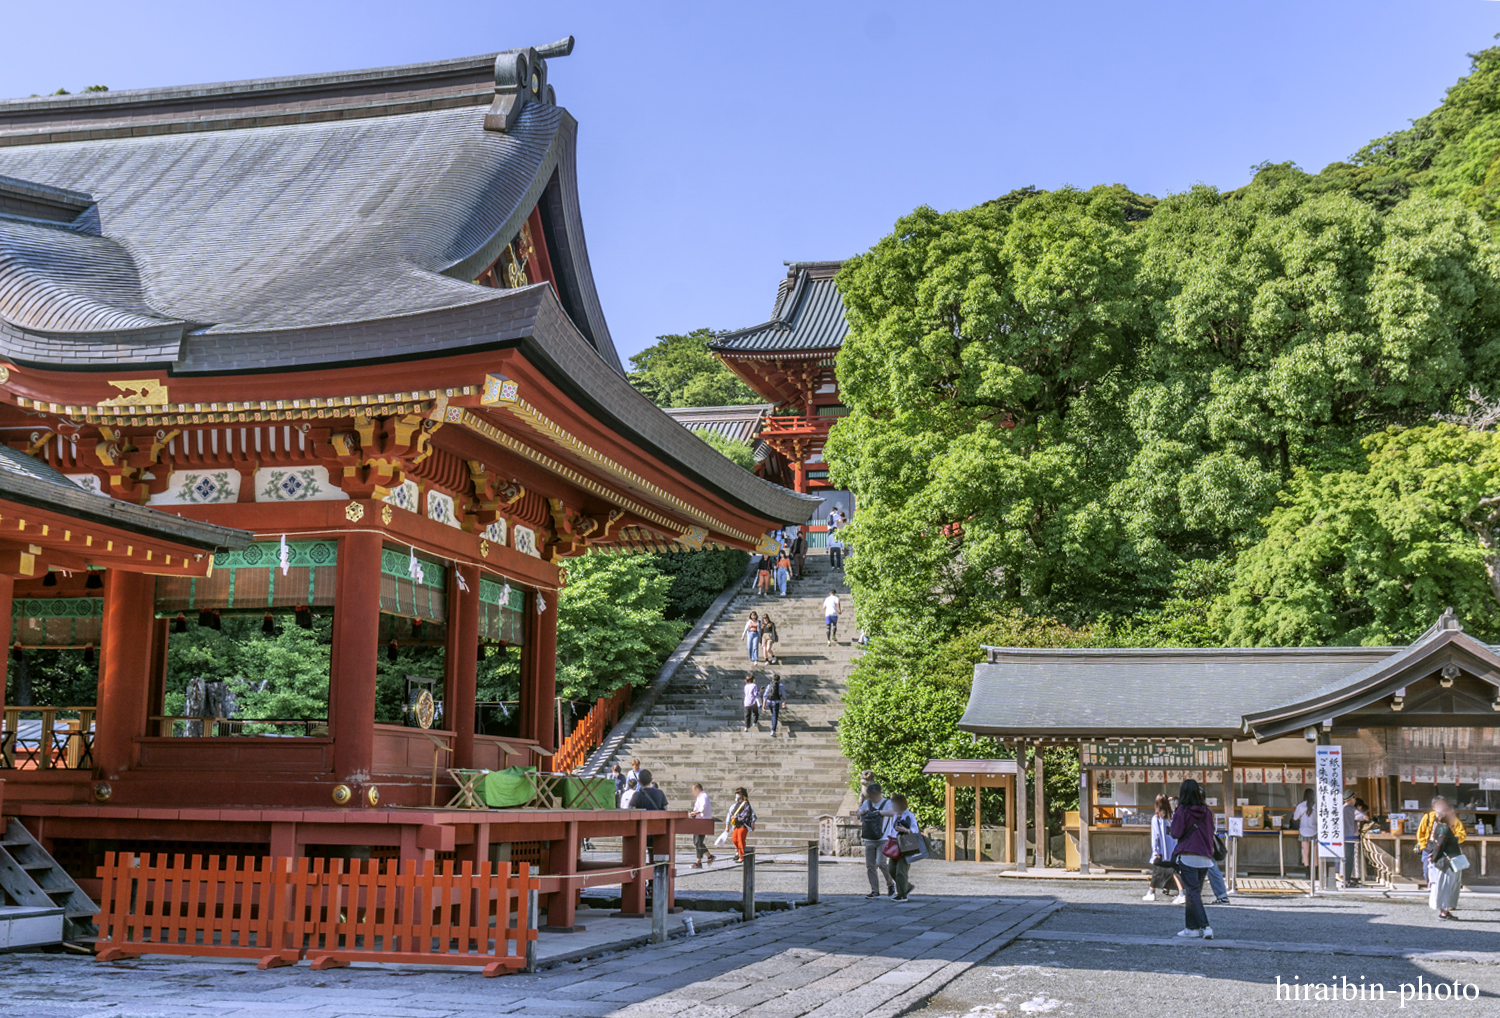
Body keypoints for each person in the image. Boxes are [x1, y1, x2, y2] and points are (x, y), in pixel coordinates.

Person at [1168, 778, 1216, 940]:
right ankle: (1191, 928)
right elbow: (1211, 833)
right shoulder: (1207, 812)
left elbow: (1175, 832)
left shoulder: (1182, 810)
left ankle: (1205, 926)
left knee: (1193, 893)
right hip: (1204, 856)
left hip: (1188, 855)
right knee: (1194, 893)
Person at [1426, 797, 1465, 919]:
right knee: (1446, 886)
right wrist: (1434, 857)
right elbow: (1440, 844)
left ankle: (1445, 911)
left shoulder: (1441, 827)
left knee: (1447, 886)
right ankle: (1444, 912)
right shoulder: (1444, 828)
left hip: (1445, 861)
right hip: (1446, 863)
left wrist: (1433, 856)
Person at [1144, 793, 1185, 904]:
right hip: (1173, 848)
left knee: (1158, 871)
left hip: (1162, 851)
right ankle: (1152, 892)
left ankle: (1151, 893)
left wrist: (1156, 851)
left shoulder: (1157, 818)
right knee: (1172, 871)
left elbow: (1155, 836)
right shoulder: (1172, 816)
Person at [858, 781, 896, 898]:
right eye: (870, 796)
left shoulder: (887, 802)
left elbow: (893, 813)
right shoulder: (866, 802)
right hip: (869, 838)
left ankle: (890, 884)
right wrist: (861, 812)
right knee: (870, 866)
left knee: (881, 863)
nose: (872, 798)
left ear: (879, 793)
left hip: (883, 838)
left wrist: (879, 812)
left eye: (874, 795)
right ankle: (875, 890)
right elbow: (858, 814)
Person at [1418, 795, 1467, 886]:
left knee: (1446, 871)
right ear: (1433, 807)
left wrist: (1452, 841)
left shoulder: (1452, 818)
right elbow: (1420, 833)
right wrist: (1424, 845)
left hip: (1446, 849)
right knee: (1427, 870)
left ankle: (1442, 890)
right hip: (1429, 847)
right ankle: (1431, 888)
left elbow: (1461, 834)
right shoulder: (1427, 817)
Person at [890, 793, 920, 901]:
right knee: (891, 869)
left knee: (901, 870)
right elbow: (892, 830)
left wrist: (906, 830)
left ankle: (902, 894)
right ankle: (906, 886)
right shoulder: (895, 815)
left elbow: (915, 830)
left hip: (906, 845)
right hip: (895, 845)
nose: (892, 806)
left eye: (894, 804)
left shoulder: (909, 815)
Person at [1341, 790, 1367, 887]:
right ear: (1351, 799)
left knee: (1346, 859)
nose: (1355, 800)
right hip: (1350, 837)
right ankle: (1346, 881)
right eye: (1354, 798)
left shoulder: (1342, 808)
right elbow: (1364, 816)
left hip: (1343, 837)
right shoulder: (1350, 809)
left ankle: (1346, 879)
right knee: (1349, 859)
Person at [689, 782, 716, 868]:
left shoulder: (704, 796)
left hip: (703, 822)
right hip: (698, 821)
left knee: (698, 842)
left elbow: (702, 809)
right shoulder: (699, 797)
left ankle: (699, 861)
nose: (693, 793)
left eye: (693, 791)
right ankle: (709, 856)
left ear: (697, 789)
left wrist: (694, 813)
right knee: (697, 842)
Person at [727, 787, 755, 862]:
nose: (737, 795)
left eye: (738, 793)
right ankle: (740, 853)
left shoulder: (745, 803)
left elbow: (746, 814)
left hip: (743, 825)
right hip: (736, 825)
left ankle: (741, 856)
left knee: (740, 840)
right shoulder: (737, 803)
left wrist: (736, 817)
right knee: (734, 839)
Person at [1292, 788, 1316, 867]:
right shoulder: (1316, 806)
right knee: (1316, 852)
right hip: (1315, 831)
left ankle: (1307, 871)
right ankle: (1315, 870)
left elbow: (1295, 817)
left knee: (1305, 851)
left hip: (1304, 831)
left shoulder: (1301, 805)